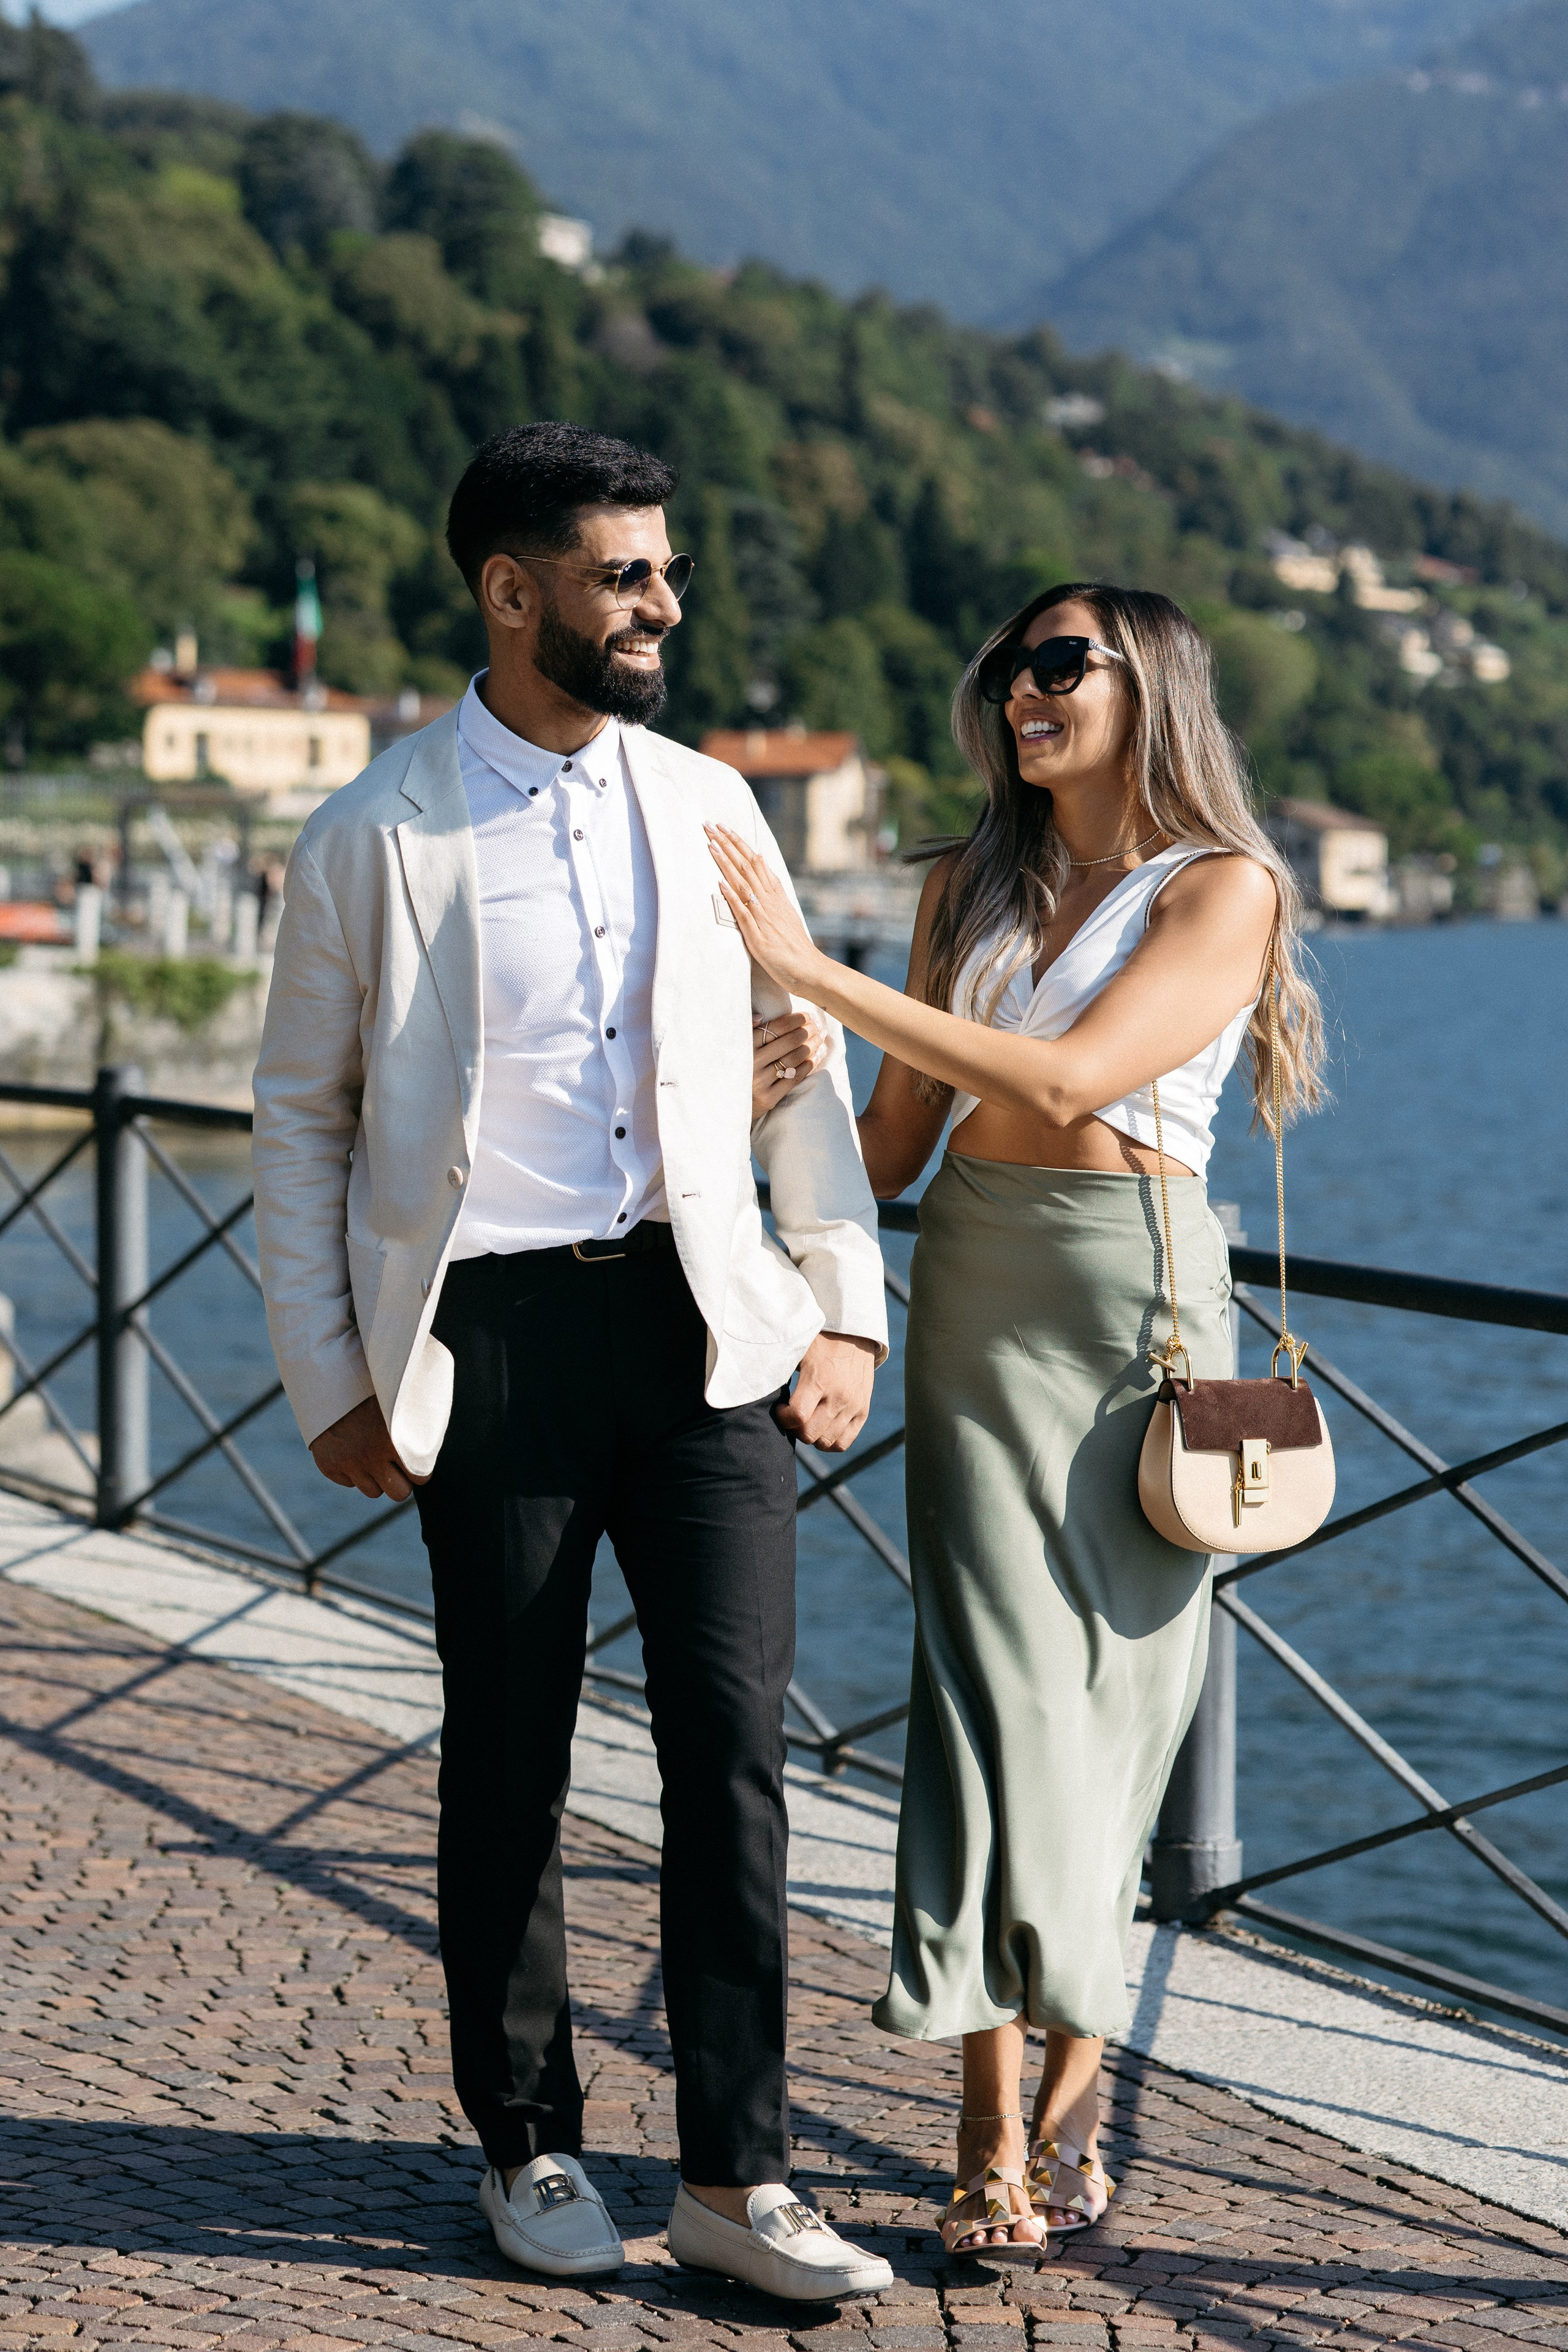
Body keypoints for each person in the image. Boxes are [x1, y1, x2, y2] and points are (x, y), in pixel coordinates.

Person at [251, 422, 895, 2301]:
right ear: (510, 588)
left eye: (667, 570)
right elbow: (299, 1119)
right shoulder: (374, 829)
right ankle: (527, 2148)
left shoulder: (712, 800)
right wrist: (333, 1378)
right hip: (494, 1340)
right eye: (626, 574)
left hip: (710, 1326)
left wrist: (844, 1301)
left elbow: (802, 1062)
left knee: (734, 1755)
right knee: (510, 1761)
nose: (663, 602)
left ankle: (736, 2176)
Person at [706, 582, 1324, 2263]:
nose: (1025, 691)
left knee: (1113, 1724)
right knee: (987, 1699)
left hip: (1138, 1305)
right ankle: (986, 2121)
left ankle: (1074, 2101)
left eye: (1065, 665)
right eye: (1011, 669)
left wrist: (801, 967)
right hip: (980, 1289)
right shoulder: (963, 886)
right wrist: (753, 1105)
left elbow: (1069, 1080)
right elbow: (896, 1146)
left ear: (1154, 690)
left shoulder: (1229, 888)